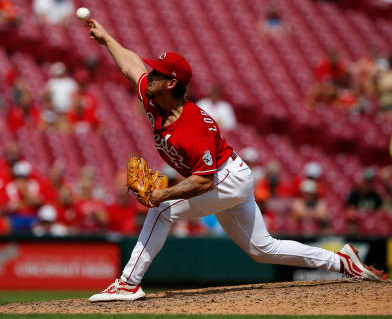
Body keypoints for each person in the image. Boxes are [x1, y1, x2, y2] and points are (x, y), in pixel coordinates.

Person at [85, 19, 386, 302]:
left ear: (170, 84)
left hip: (225, 178)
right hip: (229, 175)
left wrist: (164, 193)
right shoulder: (153, 97)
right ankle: (342, 261)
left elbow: (203, 180)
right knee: (262, 248)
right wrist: (107, 38)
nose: (149, 75)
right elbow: (131, 65)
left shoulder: (192, 126)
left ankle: (127, 283)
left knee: (162, 210)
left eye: (157, 73)